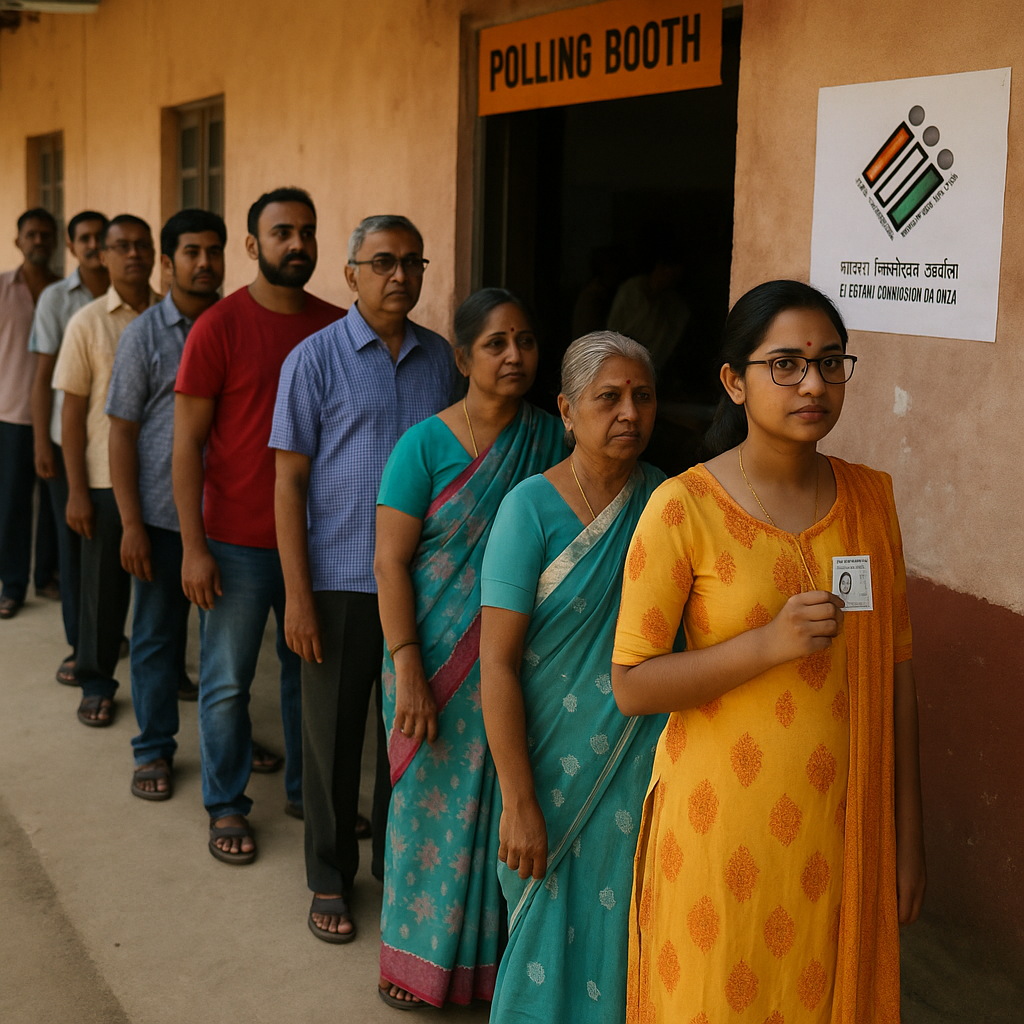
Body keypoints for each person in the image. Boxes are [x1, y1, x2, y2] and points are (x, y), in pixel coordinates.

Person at [611, 281, 926, 1023]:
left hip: (839, 831)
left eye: (830, 363)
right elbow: (632, 685)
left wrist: (907, 842)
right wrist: (767, 645)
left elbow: (898, 682)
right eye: (784, 364)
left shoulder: (871, 502)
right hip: (720, 836)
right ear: (734, 381)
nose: (812, 383)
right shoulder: (682, 507)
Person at [372, 288, 565, 1008]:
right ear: (461, 358)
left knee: (502, 812)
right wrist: (409, 668)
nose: (515, 355)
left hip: (516, 665)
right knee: (427, 811)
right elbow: (391, 563)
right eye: (495, 343)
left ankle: (489, 971)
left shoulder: (553, 441)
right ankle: (414, 966)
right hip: (429, 661)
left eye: (526, 341)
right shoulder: (423, 445)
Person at [271, 214, 454, 946]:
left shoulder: (442, 360)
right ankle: (327, 876)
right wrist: (298, 596)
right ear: (351, 273)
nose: (399, 276)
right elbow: (288, 486)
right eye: (383, 262)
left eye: (413, 262)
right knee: (332, 739)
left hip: (420, 584)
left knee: (402, 739)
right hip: (340, 582)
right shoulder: (313, 361)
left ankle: (395, 870)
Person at [480, 331, 668, 1023]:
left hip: (642, 765)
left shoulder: (671, 502)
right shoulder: (528, 508)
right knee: (544, 939)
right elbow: (496, 662)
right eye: (608, 397)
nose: (628, 413)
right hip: (548, 775)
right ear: (566, 410)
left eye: (641, 397)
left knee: (632, 938)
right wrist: (518, 799)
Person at [174, 187, 343, 864]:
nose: (297, 244)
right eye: (282, 233)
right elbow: (186, 445)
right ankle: (225, 804)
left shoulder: (337, 327)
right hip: (237, 542)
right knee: (225, 681)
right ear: (254, 245)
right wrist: (193, 546)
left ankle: (307, 793)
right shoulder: (218, 326)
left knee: (309, 678)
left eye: (306, 232)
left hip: (320, 544)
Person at [107, 209, 226, 800]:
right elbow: (122, 432)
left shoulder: (237, 325)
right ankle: (153, 748)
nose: (204, 263)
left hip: (228, 519)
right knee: (156, 637)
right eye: (190, 252)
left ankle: (225, 749)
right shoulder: (144, 335)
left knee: (225, 649)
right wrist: (130, 522)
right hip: (159, 518)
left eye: (213, 251)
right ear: (168, 261)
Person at [53, 214, 161, 726]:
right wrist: (75, 489)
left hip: (164, 481)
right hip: (100, 481)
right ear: (103, 257)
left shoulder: (178, 317)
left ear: (155, 251)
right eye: (121, 246)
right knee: (103, 592)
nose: (133, 254)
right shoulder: (87, 322)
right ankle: (96, 680)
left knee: (163, 592)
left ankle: (167, 675)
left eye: (142, 245)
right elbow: (71, 416)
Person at [29, 210, 110, 681]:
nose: (94, 245)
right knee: (75, 546)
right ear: (72, 244)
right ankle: (81, 645)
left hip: (119, 446)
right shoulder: (56, 299)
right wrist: (43, 442)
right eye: (85, 238)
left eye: (102, 237)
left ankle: (105, 634)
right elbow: (43, 378)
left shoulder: (131, 296)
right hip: (70, 444)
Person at [0, 208, 59, 620]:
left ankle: (47, 575)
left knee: (57, 506)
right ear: (17, 240)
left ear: (54, 242)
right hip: (11, 416)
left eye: (45, 235)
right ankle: (13, 585)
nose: (38, 240)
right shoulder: (3, 288)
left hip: (58, 417)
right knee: (12, 506)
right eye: (31, 234)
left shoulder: (65, 292)